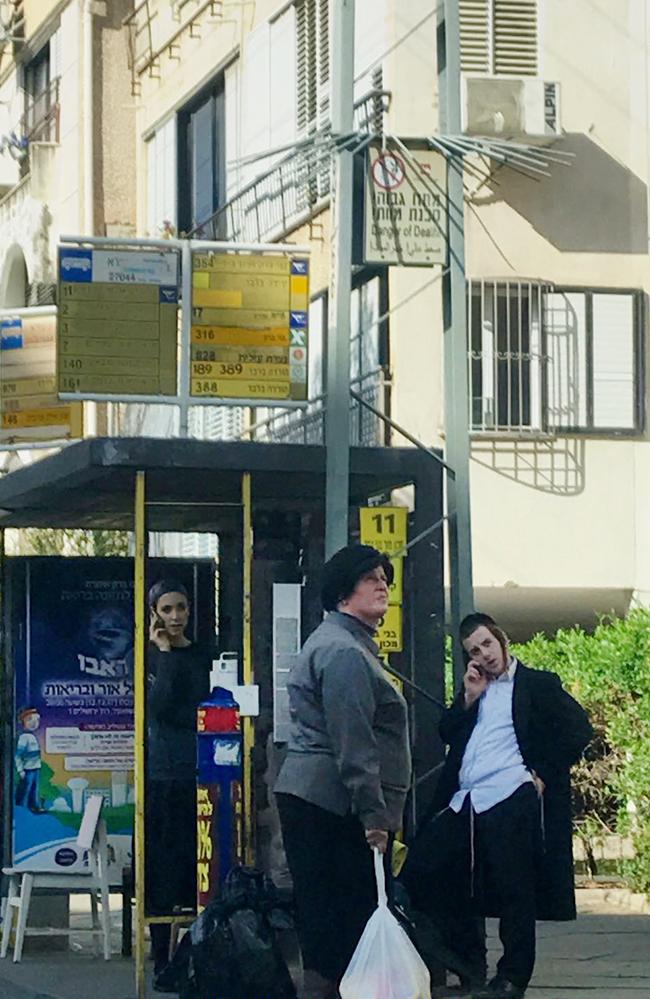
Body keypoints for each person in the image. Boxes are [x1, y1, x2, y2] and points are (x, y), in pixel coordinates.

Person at [401, 612, 593, 999]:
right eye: (474, 650)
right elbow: (448, 733)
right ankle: (466, 963)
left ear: (502, 640)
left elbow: (579, 729)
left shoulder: (537, 684)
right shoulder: (476, 689)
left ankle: (512, 979)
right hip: (466, 800)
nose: (484, 654)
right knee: (422, 872)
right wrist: (469, 698)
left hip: (511, 794)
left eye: (488, 644)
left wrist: (541, 774)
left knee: (513, 890)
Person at [275, 544, 412, 999]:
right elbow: (354, 744)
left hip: (317, 799)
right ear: (341, 594)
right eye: (369, 578)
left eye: (385, 578)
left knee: (324, 922)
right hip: (334, 805)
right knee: (343, 927)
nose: (382, 585)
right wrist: (375, 816)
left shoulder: (341, 644)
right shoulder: (345, 654)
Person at [145, 579, 210, 983]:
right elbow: (160, 706)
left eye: (180, 608)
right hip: (165, 771)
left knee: (196, 860)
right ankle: (160, 954)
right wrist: (165, 655)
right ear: (155, 613)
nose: (174, 617)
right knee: (163, 864)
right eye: (166, 610)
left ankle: (194, 951)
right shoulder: (152, 655)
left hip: (200, 766)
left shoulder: (202, 652)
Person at [15, 707, 43, 813]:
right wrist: (20, 770)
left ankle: (34, 806)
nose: (34, 723)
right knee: (26, 788)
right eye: (30, 720)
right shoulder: (24, 738)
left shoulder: (32, 737)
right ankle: (21, 807)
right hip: (28, 769)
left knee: (34, 789)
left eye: (37, 720)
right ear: (23, 721)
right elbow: (18, 755)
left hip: (36, 767)